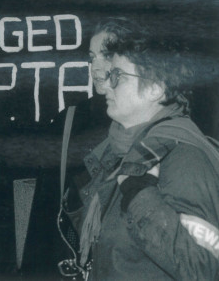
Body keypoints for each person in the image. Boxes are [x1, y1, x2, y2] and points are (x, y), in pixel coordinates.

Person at [64, 24, 219, 279]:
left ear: (155, 88)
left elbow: (202, 267)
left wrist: (139, 195)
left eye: (117, 76)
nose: (106, 83)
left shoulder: (185, 157)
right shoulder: (122, 152)